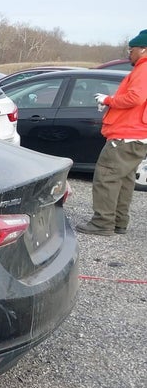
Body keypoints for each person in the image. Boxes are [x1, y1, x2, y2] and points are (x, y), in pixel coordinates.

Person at [75, 29, 147, 236]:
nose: (129, 53)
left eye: (131, 49)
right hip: (137, 135)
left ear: (143, 49)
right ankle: (118, 222)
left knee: (106, 177)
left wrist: (108, 100)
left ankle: (102, 223)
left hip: (125, 135)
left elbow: (135, 98)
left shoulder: (143, 69)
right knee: (124, 180)